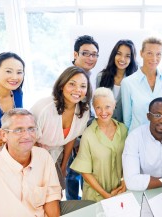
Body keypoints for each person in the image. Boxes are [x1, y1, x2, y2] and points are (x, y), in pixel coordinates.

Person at [0, 108, 61, 217]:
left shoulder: (43, 157)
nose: (27, 136)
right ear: (3, 135)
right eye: (18, 130)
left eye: (31, 129)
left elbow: (51, 197)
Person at [30, 66, 92, 190]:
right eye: (72, 84)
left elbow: (71, 139)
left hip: (57, 154)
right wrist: (42, 167)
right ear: (62, 85)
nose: (77, 90)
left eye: (83, 86)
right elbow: (30, 140)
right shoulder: (44, 108)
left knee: (57, 192)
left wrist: (63, 167)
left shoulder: (83, 111)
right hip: (33, 155)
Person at [71, 87, 128, 202]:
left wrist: (124, 183)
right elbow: (85, 172)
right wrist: (106, 195)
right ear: (94, 108)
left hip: (119, 192)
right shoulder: (88, 135)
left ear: (114, 105)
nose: (103, 112)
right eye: (98, 107)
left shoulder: (123, 130)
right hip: (95, 196)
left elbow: (129, 161)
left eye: (107, 106)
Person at [66, 35, 99, 200]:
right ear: (75, 54)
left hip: (84, 133)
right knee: (72, 175)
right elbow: (66, 112)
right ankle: (73, 207)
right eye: (85, 53)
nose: (90, 58)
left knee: (84, 173)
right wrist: (77, 142)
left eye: (94, 54)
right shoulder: (70, 77)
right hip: (71, 138)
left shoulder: (88, 76)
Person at [121, 37, 162, 132]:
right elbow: (127, 120)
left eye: (158, 54)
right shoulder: (128, 82)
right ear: (141, 53)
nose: (154, 58)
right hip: (138, 139)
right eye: (149, 53)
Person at [0, 52, 25, 158]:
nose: (15, 77)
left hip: (10, 156)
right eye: (9, 71)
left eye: (19, 72)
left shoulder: (17, 93)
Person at [96, 39, 138, 122]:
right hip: (105, 125)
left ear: (132, 59)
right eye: (119, 54)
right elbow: (98, 103)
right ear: (114, 55)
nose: (122, 59)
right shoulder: (101, 77)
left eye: (127, 56)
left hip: (126, 128)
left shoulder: (135, 81)